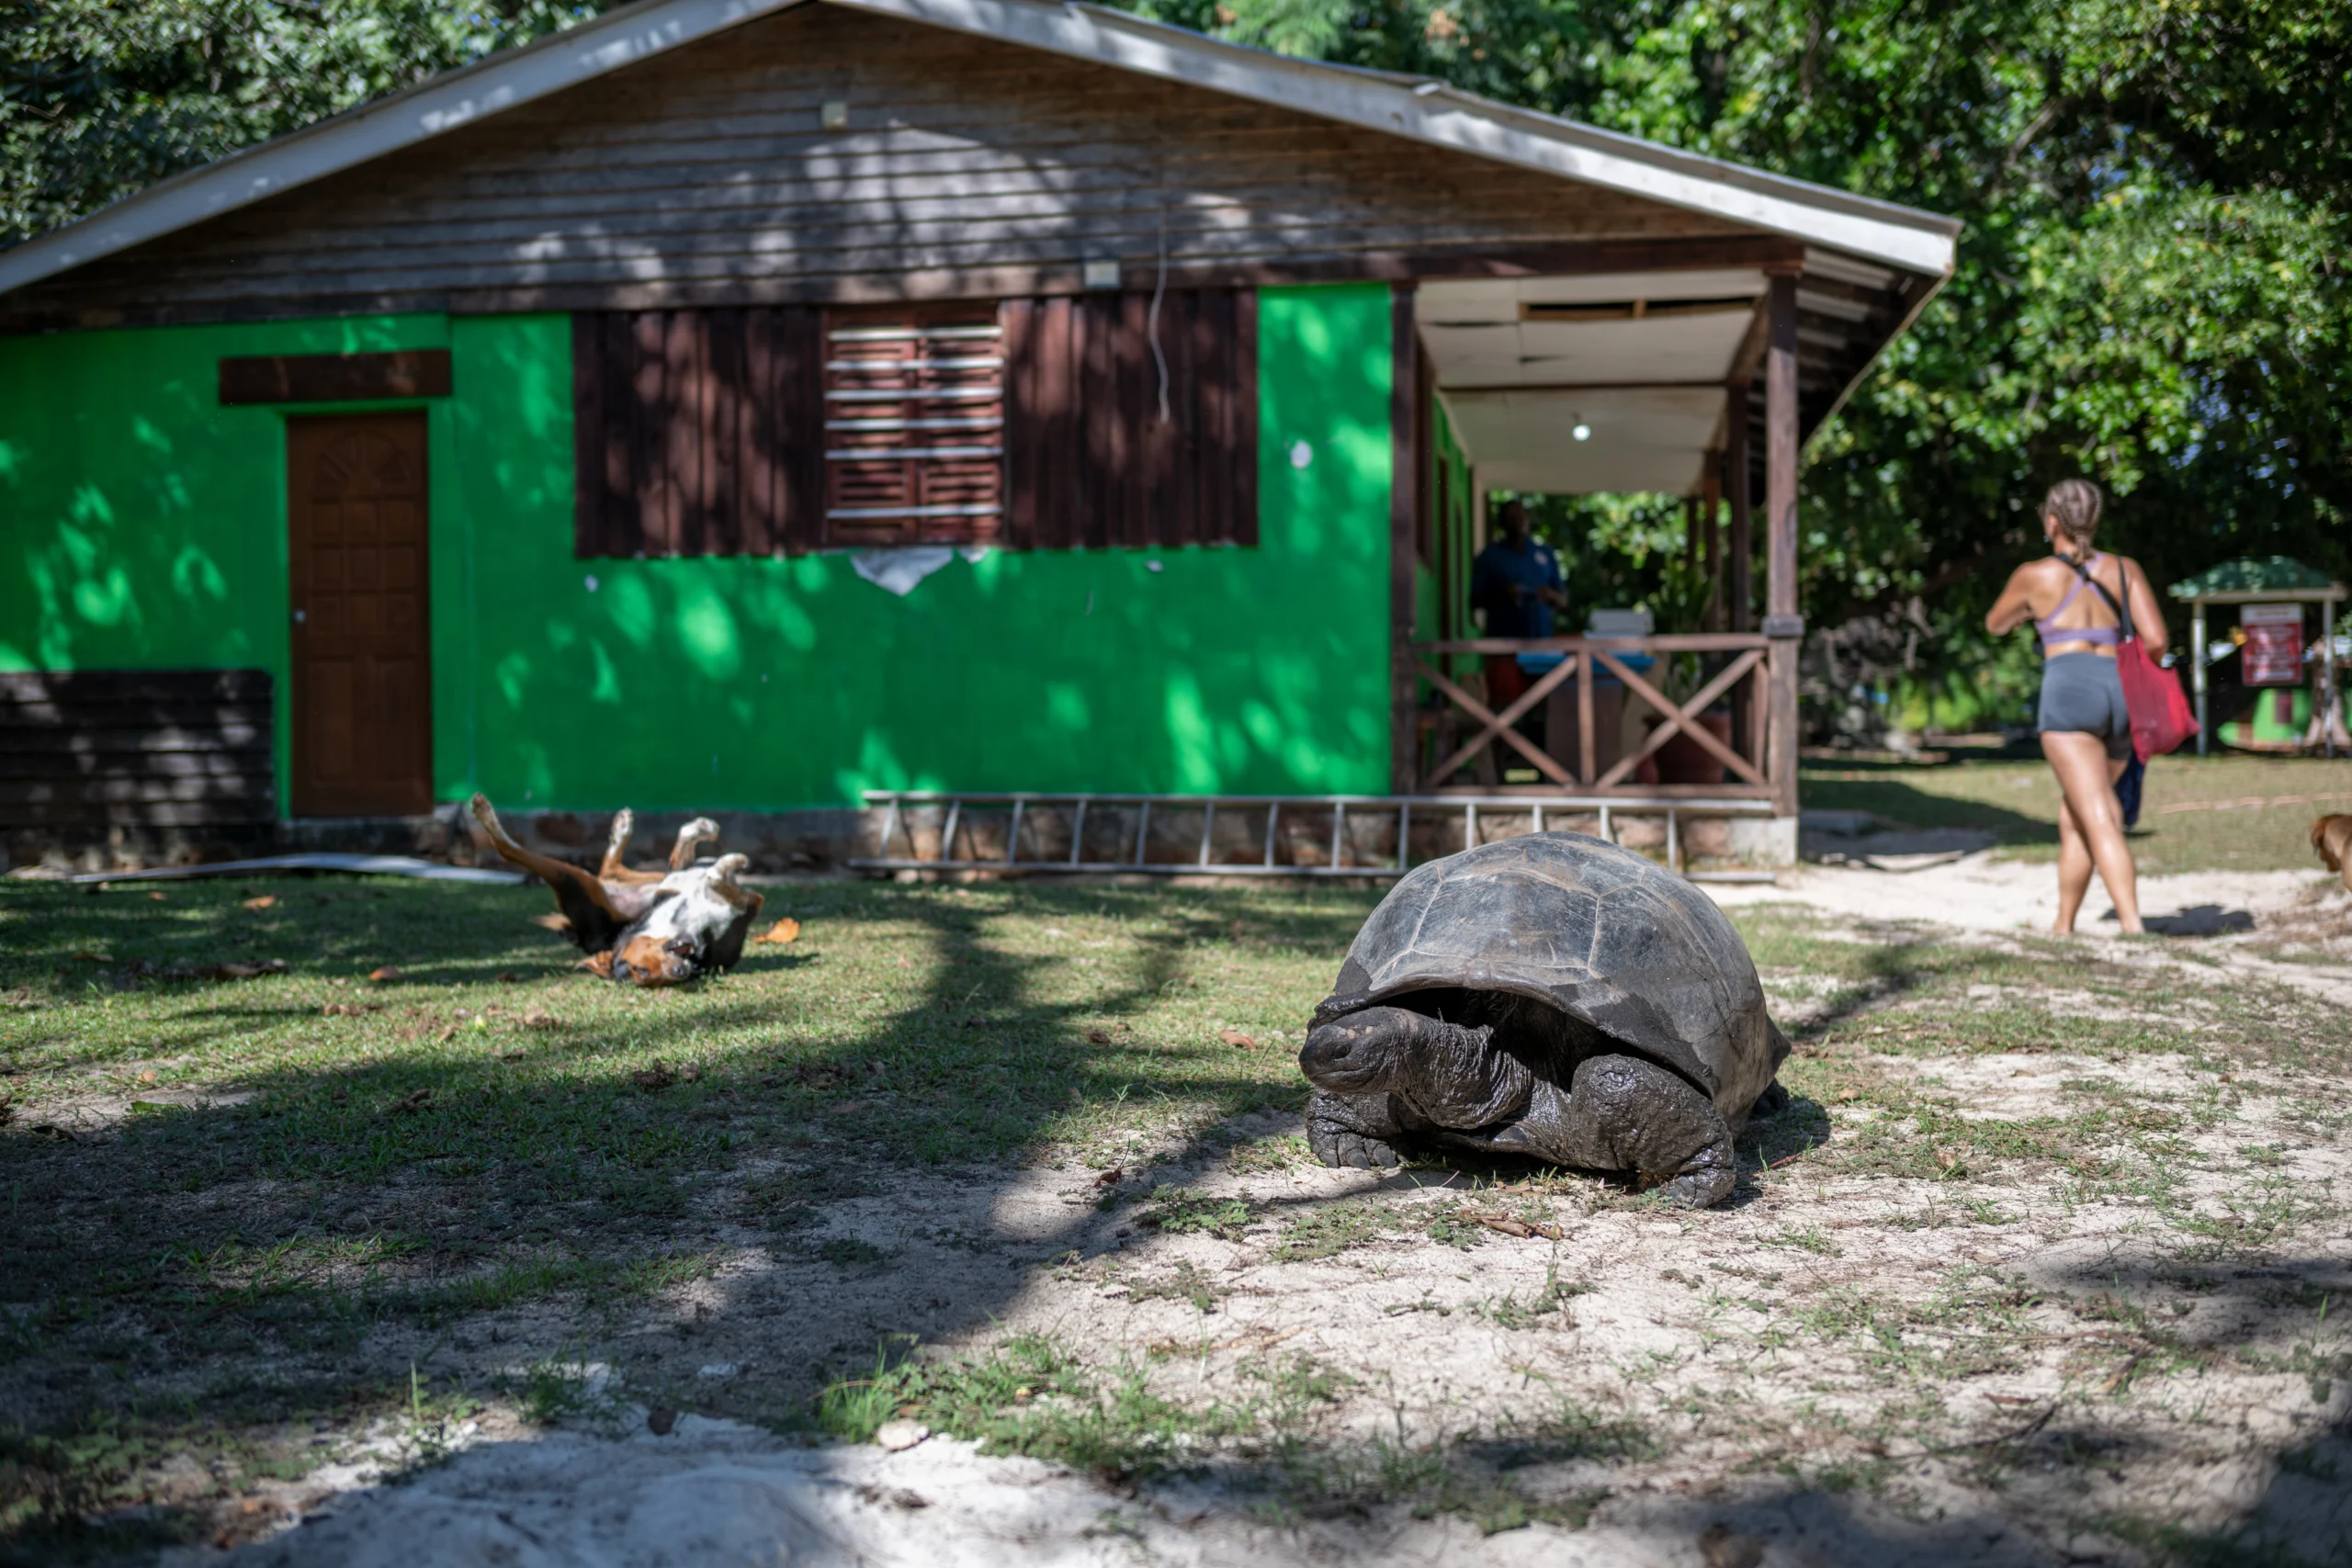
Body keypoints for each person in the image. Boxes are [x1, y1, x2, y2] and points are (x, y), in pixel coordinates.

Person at [1984, 479, 2168, 935]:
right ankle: (2062, 925)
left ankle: (2131, 925)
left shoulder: (2036, 575)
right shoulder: (2125, 569)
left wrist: (2031, 612)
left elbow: (1994, 624)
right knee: (2079, 810)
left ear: (2052, 522)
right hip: (2121, 690)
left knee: (2098, 812)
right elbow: (2159, 641)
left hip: (2070, 691)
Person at [1470, 500, 1566, 714]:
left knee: (1543, 711)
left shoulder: (1545, 555)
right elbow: (1474, 601)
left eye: (1521, 517)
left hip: (1541, 649)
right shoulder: (1490, 557)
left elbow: (1563, 600)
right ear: (1502, 523)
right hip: (1504, 649)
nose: (1517, 523)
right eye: (1511, 518)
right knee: (1505, 711)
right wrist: (1503, 594)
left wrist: (1549, 595)